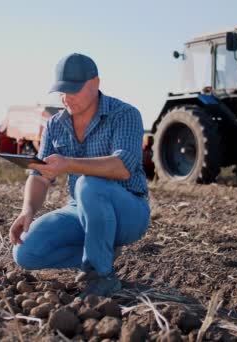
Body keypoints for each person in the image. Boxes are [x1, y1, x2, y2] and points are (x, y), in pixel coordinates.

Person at [9, 53, 150, 297]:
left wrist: (69, 164)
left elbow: (123, 166)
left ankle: (100, 273)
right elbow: (39, 175)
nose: (66, 98)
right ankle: (100, 251)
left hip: (128, 210)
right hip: (79, 208)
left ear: (95, 83)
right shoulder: (55, 124)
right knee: (25, 252)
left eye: (73, 89)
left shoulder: (125, 114)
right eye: (62, 91)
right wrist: (28, 209)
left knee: (89, 183)